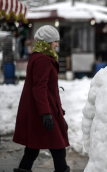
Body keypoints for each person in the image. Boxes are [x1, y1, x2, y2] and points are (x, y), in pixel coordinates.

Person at [13, 25, 70, 172]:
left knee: (33, 147)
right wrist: (46, 113)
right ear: (47, 42)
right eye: (55, 41)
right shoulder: (42, 59)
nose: (57, 44)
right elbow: (39, 88)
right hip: (43, 111)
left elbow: (48, 88)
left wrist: (59, 109)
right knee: (58, 147)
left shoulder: (40, 56)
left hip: (44, 109)